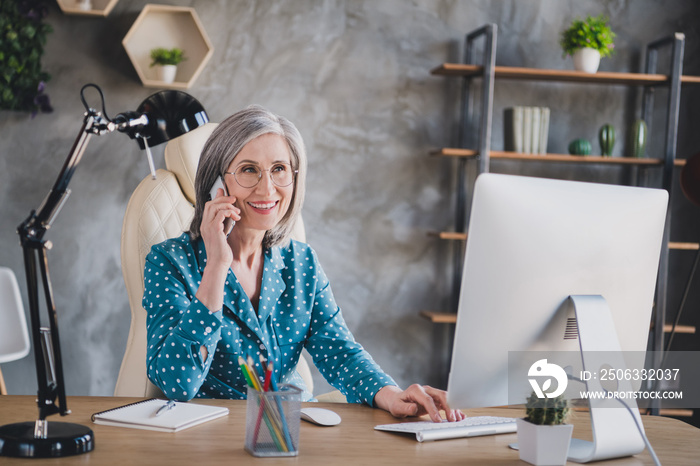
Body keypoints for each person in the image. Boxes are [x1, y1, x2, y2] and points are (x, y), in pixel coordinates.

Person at [143, 105, 464, 423]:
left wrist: (392, 394)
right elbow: (178, 384)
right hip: (215, 435)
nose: (268, 188)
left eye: (279, 169)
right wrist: (216, 264)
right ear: (217, 183)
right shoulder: (169, 262)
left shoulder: (301, 262)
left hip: (290, 432)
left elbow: (340, 352)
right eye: (249, 169)